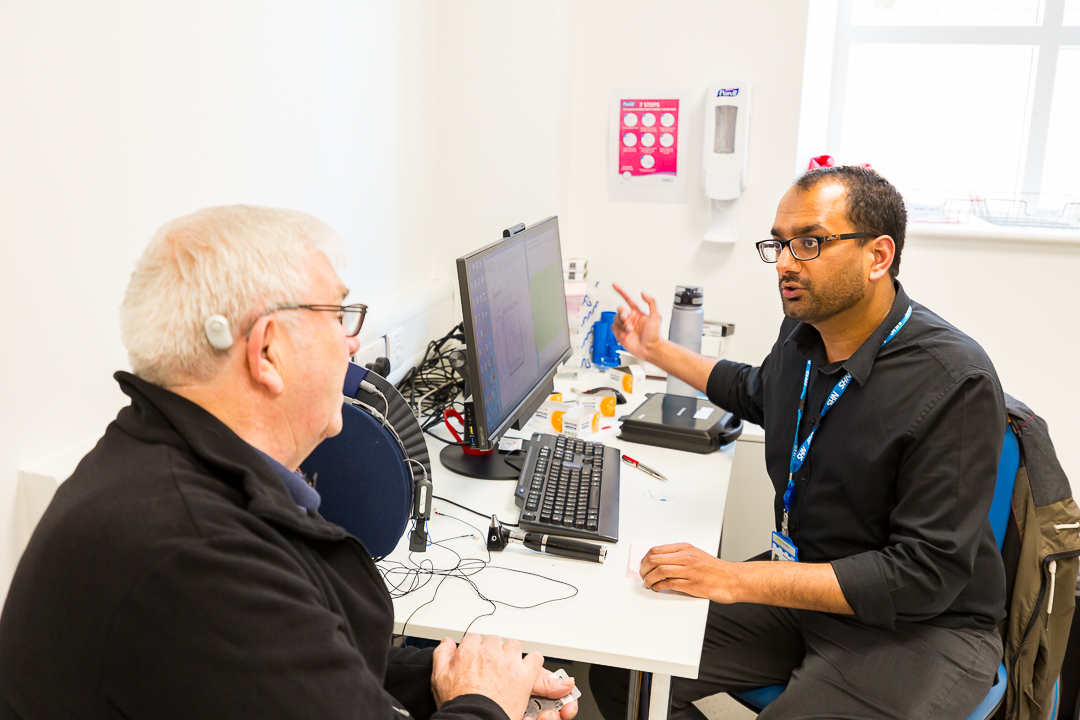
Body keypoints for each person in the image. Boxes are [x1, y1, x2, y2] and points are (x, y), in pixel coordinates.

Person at [0, 206, 578, 720]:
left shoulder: (174, 465)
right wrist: (483, 708)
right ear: (268, 351)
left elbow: (300, 664)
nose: (353, 343)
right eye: (339, 316)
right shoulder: (195, 557)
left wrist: (446, 680)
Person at [590, 167, 1007, 719]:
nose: (785, 262)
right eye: (780, 244)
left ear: (878, 256)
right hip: (808, 587)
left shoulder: (954, 378)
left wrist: (736, 577)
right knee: (627, 673)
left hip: (922, 628)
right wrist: (656, 350)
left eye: (810, 242)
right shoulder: (804, 333)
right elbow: (754, 391)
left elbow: (923, 574)